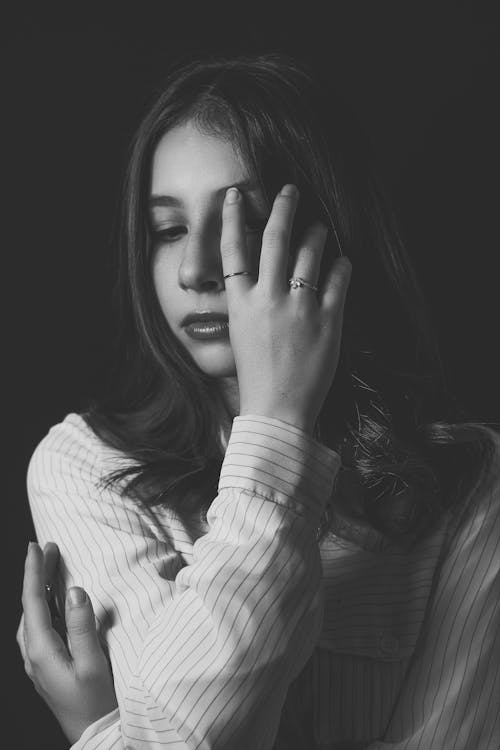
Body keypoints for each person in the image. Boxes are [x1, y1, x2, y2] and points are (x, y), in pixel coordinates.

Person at [17, 52, 500, 750]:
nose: (194, 270)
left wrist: (99, 732)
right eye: (168, 230)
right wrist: (277, 426)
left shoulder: (478, 482)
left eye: (240, 220)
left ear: (327, 231)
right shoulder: (84, 465)